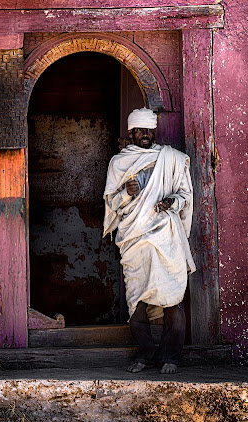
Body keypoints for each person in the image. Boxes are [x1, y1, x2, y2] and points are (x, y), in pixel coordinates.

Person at [103, 108, 194, 374]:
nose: (145, 134)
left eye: (148, 130)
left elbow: (185, 195)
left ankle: (170, 357)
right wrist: (126, 194)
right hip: (135, 238)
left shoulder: (172, 159)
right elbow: (111, 203)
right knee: (137, 299)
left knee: (173, 296)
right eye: (139, 131)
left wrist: (171, 202)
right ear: (131, 133)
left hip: (167, 236)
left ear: (153, 131)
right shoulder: (119, 163)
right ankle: (145, 354)